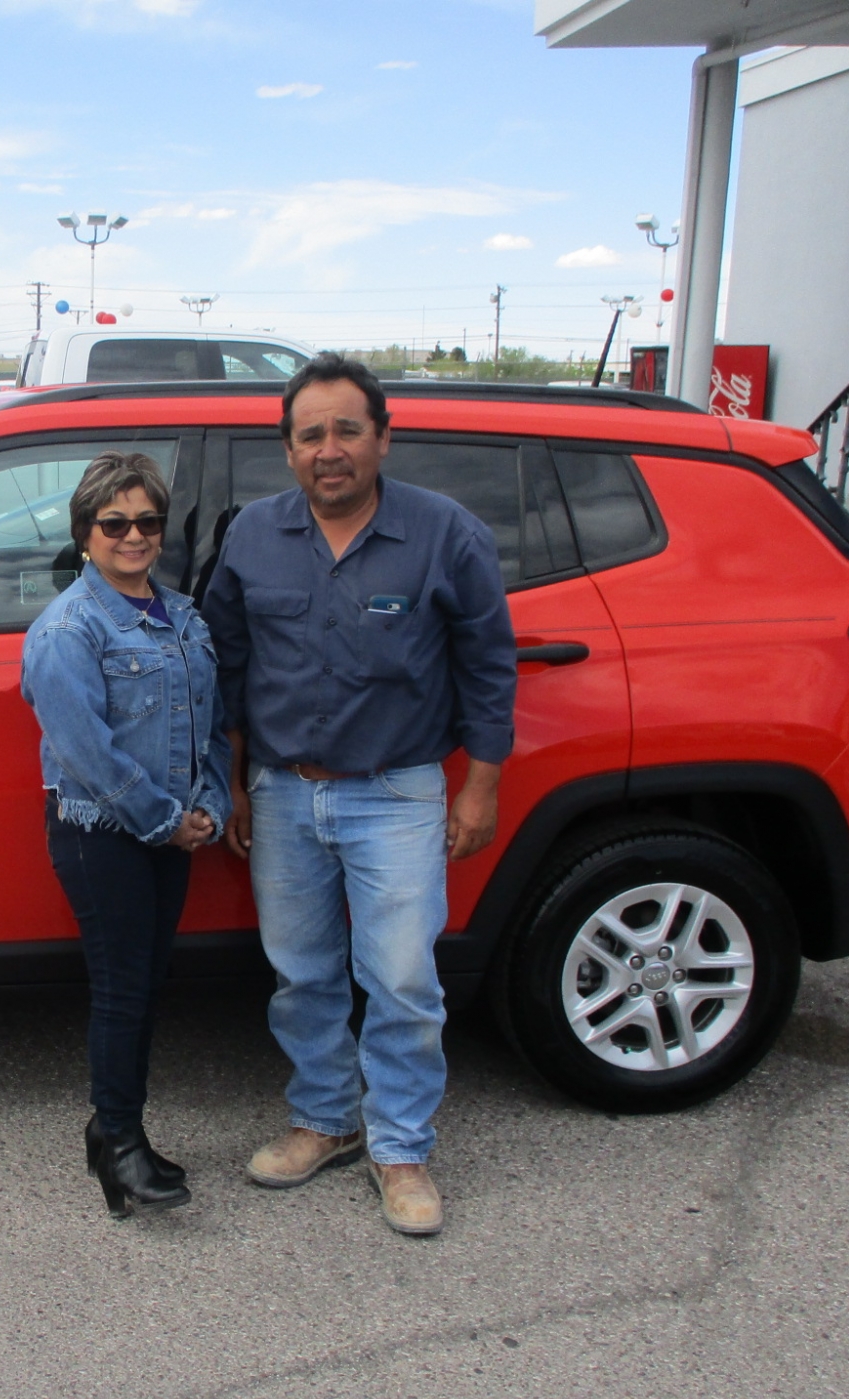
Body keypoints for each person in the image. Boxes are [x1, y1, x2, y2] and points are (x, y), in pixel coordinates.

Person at [202, 354, 516, 1236]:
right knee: (301, 974)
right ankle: (327, 1119)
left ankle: (402, 1146)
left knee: (403, 978)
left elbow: (489, 666)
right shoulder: (253, 535)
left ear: (383, 437)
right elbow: (229, 665)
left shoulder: (445, 534)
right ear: (288, 450)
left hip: (398, 791)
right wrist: (237, 783)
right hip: (283, 793)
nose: (328, 449)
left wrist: (481, 788)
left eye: (347, 430)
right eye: (311, 435)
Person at [20, 451, 232, 1219]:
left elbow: (210, 726)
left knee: (146, 985)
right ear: (86, 533)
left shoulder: (182, 617)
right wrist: (166, 822)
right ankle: (119, 1139)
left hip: (170, 831)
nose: (133, 536)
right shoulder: (68, 629)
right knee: (121, 991)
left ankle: (113, 1133)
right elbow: (86, 750)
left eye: (147, 521)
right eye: (115, 523)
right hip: (103, 832)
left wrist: (211, 805)